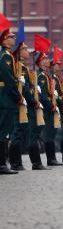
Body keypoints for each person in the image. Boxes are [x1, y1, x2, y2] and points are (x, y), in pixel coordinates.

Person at [11, 34, 47, 170]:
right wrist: (33, 100)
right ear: (19, 52)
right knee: (17, 133)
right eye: (25, 49)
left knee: (25, 133)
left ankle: (31, 163)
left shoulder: (25, 68)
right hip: (21, 104)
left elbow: (29, 87)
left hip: (28, 104)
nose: (27, 51)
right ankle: (16, 163)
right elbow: (24, 88)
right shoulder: (19, 67)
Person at [36, 40, 63, 166]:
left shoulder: (46, 76)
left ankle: (52, 159)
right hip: (48, 110)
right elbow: (42, 95)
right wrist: (51, 106)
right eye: (46, 58)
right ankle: (50, 159)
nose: (48, 61)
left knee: (52, 134)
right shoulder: (41, 77)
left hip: (52, 108)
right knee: (48, 134)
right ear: (40, 62)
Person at [0, 15, 18, 175]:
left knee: (5, 130)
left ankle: (3, 163)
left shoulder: (7, 55)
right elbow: (9, 79)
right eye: (11, 37)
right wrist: (18, 95)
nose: (13, 39)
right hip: (6, 98)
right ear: (4, 40)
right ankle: (1, 164)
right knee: (3, 131)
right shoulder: (5, 56)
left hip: (6, 97)